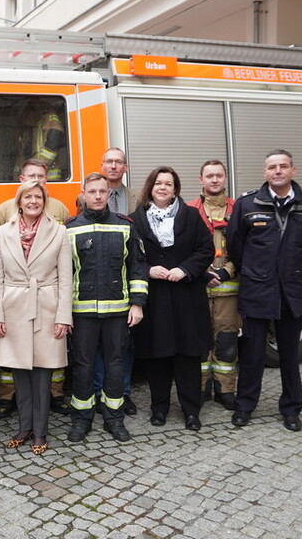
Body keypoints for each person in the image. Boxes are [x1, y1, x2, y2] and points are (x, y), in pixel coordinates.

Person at [227, 149, 302, 432]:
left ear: (294, 170)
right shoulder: (247, 205)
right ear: (265, 173)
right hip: (257, 289)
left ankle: (291, 408)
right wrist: (257, 271)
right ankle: (245, 406)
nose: (277, 171)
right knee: (253, 353)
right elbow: (236, 244)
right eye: (272, 167)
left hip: (291, 290)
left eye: (283, 166)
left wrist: (289, 270)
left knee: (289, 354)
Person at [0, 179, 73, 455]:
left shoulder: (59, 232)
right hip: (12, 308)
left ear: (44, 201)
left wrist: (63, 317)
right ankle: (24, 427)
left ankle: (40, 431)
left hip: (47, 307)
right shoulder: (3, 232)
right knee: (19, 373)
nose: (33, 201)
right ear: (19, 201)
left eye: (38, 196)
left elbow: (65, 278)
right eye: (28, 197)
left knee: (43, 374)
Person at [65, 172, 148, 443]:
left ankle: (114, 419)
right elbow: (63, 274)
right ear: (84, 194)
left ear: (109, 195)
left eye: (103, 192)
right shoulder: (70, 228)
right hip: (82, 312)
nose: (98, 196)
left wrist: (137, 304)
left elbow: (137, 267)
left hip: (118, 312)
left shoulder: (126, 225)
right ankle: (82, 419)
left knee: (115, 365)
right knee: (83, 366)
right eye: (93, 192)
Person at [130, 166, 214, 430]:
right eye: (158, 183)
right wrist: (148, 269)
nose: (163, 188)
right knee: (158, 357)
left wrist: (185, 269)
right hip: (154, 299)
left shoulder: (190, 216)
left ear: (175, 189)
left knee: (188, 357)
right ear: (150, 188)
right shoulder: (136, 220)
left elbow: (206, 249)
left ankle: (191, 411)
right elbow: (130, 257)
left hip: (187, 297)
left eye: (168, 183)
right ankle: (159, 409)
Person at [188, 160, 240, 411]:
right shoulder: (188, 210)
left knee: (227, 342)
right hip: (197, 289)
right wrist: (202, 272)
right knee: (199, 342)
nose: (214, 180)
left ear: (225, 178)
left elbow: (245, 248)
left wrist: (227, 271)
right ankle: (199, 388)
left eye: (219, 175)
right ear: (201, 179)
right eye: (209, 175)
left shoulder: (238, 210)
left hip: (228, 290)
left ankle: (226, 389)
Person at [92, 148, 141, 415]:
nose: (113, 166)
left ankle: (123, 392)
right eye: (108, 161)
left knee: (124, 345)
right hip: (96, 280)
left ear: (125, 167)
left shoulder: (136, 198)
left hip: (124, 279)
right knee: (99, 344)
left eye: (118, 162)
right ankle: (100, 392)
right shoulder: (86, 196)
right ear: (101, 165)